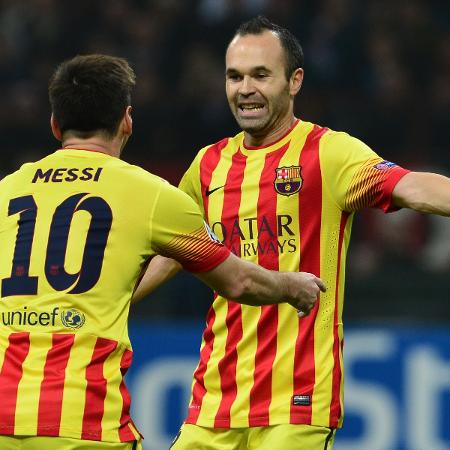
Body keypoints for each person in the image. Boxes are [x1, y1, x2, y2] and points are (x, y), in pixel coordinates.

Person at [134, 16, 450, 450]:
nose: (245, 88)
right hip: (214, 403)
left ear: (294, 80)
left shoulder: (330, 153)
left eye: (261, 75)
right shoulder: (208, 165)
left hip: (296, 403)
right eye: (234, 76)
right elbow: (177, 251)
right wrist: (115, 302)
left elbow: (410, 186)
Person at [0, 54, 327, 450]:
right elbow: (239, 282)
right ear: (127, 120)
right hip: (82, 424)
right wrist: (291, 286)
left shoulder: (7, 191)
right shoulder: (153, 196)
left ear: (54, 125)